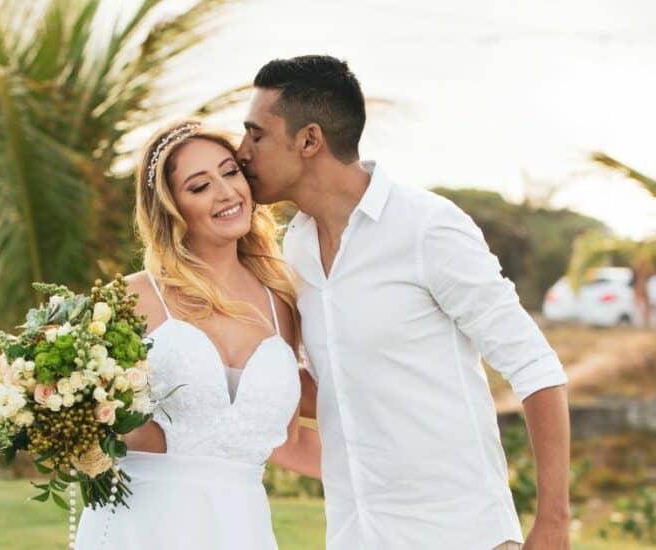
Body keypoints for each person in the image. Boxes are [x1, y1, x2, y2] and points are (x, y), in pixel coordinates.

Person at [237, 55, 571, 550]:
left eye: (256, 135)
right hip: (355, 534)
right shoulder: (298, 247)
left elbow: (534, 366)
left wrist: (553, 524)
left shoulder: (426, 227)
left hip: (459, 534)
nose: (241, 152)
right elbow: (339, 387)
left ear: (309, 140)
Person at [74, 120, 321, 549]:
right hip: (142, 525)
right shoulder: (131, 299)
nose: (226, 193)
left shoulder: (281, 302)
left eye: (230, 172)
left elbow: (290, 442)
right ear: (171, 208)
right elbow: (80, 417)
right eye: (200, 186)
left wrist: (405, 473)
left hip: (241, 528)